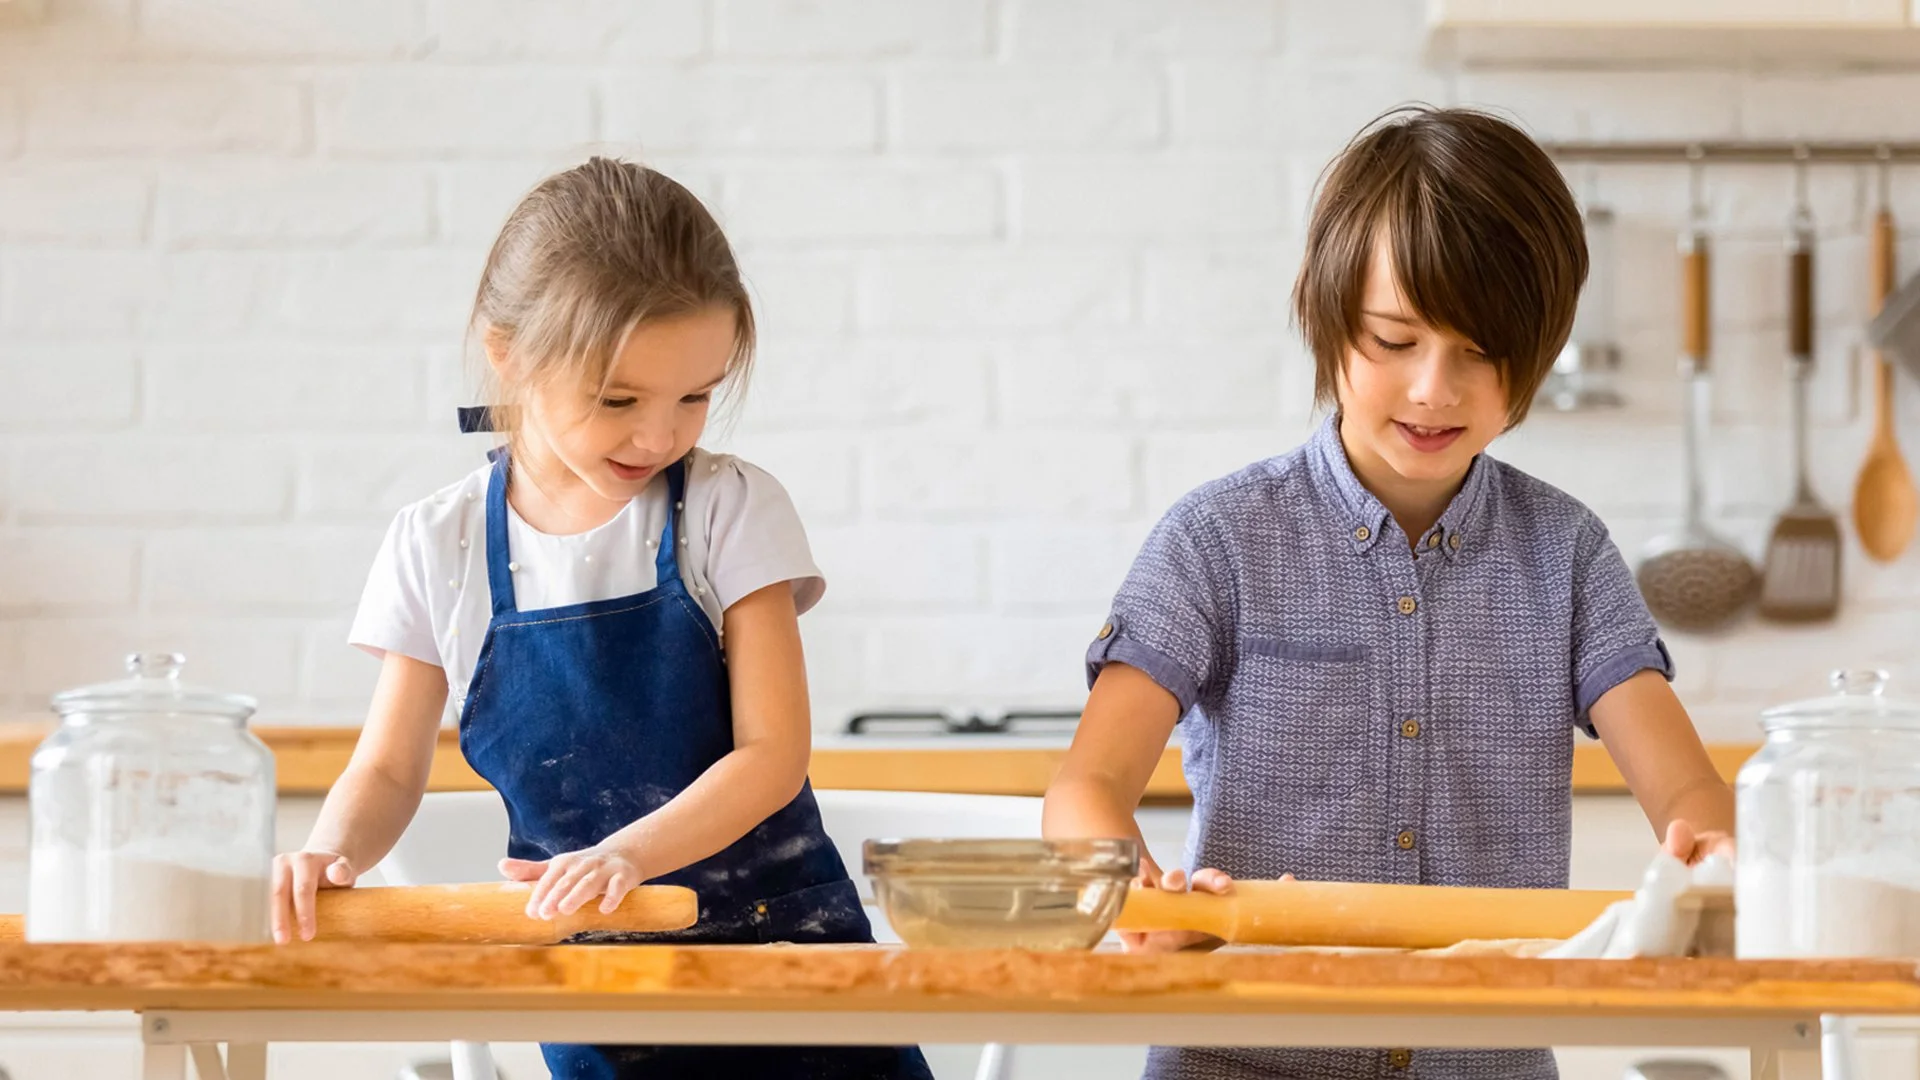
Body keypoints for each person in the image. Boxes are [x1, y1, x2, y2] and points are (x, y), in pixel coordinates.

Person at [1043, 106, 1735, 1080]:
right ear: (1329, 322)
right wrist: (1135, 893)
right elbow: (1086, 788)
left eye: (1480, 352)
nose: (1433, 389)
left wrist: (1714, 857)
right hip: (1242, 1059)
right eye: (1394, 340)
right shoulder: (1217, 539)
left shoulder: (1568, 552)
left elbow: (1687, 791)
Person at [271, 157, 933, 1080]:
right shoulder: (438, 544)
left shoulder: (729, 509)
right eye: (618, 399)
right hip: (598, 984)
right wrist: (325, 855)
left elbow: (771, 755)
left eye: (696, 396)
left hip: (786, 959)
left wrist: (625, 856)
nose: (661, 436)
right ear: (509, 356)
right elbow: (386, 769)